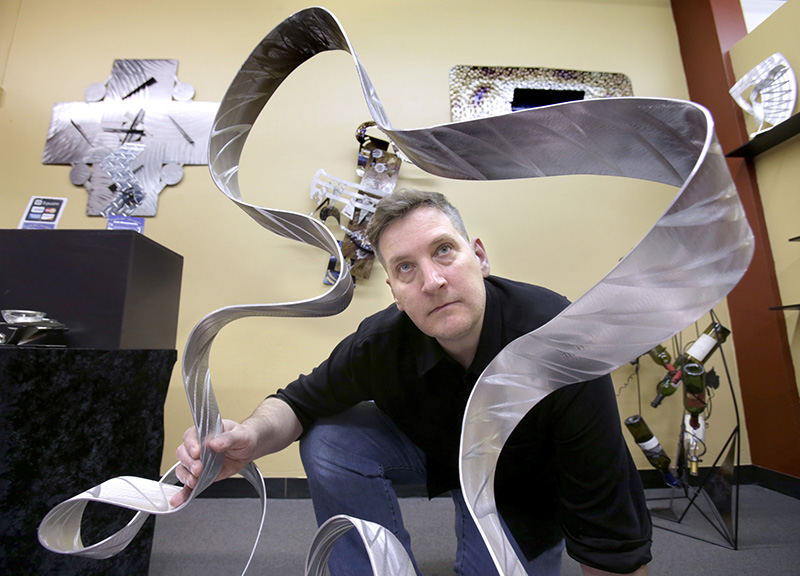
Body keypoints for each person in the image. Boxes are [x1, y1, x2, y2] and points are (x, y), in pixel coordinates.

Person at [173, 189, 652, 576]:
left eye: (444, 251)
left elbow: (607, 515)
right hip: (440, 450)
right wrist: (247, 440)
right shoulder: (382, 342)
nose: (432, 281)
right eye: (406, 268)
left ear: (479, 257)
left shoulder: (556, 337)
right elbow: (297, 404)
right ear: (395, 293)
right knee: (330, 436)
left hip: (522, 483)